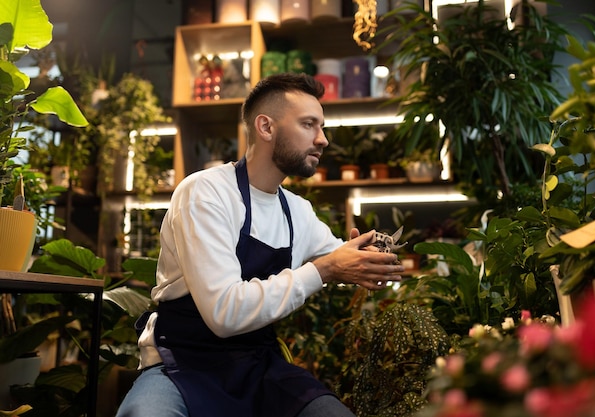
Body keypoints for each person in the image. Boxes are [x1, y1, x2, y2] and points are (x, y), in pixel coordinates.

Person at [116, 73, 405, 417]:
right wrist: (325, 269)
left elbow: (341, 256)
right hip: (181, 366)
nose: (323, 140)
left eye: (322, 126)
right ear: (266, 127)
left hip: (259, 367)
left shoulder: (298, 211)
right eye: (309, 125)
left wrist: (369, 259)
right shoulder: (205, 193)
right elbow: (224, 313)